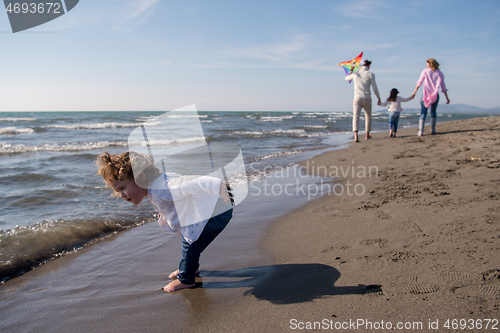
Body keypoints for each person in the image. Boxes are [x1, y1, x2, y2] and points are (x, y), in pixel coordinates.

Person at [96, 151, 233, 292]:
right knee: (189, 244)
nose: (122, 195)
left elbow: (190, 183)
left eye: (123, 188)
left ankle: (186, 279)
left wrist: (217, 186)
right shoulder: (156, 185)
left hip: (214, 214)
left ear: (140, 177)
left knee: (191, 245)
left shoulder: (160, 189)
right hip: (210, 211)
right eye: (118, 191)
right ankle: (188, 268)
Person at [411, 58, 450, 136]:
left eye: (427, 64)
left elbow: (419, 82)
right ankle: (433, 130)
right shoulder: (440, 73)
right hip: (435, 95)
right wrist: (447, 98)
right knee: (433, 112)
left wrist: (414, 92)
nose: (426, 65)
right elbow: (443, 86)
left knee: (423, 113)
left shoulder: (425, 71)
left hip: (425, 95)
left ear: (430, 63)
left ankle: (420, 131)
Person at [345, 60, 382, 142]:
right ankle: (367, 135)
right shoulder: (371, 74)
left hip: (357, 97)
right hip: (367, 97)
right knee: (368, 116)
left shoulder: (356, 73)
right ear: (368, 66)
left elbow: (346, 78)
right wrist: (379, 97)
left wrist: (351, 70)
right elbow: (374, 88)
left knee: (356, 116)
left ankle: (355, 136)